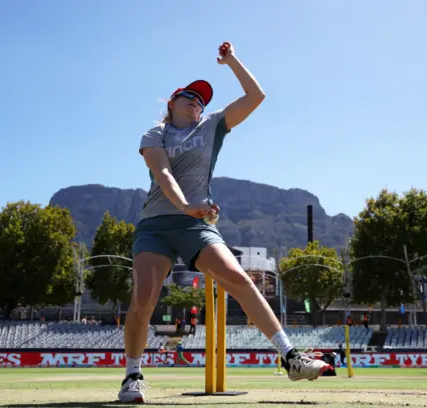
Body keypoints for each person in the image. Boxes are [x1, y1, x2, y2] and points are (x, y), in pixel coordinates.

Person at [118, 41, 332, 403]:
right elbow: (163, 172)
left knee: (238, 279)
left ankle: (291, 357)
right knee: (143, 299)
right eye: (189, 96)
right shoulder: (155, 135)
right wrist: (186, 204)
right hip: (156, 225)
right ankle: (132, 376)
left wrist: (231, 61)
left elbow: (256, 95)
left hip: (196, 225)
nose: (196, 102)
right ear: (171, 104)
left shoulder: (213, 126)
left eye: (201, 100)